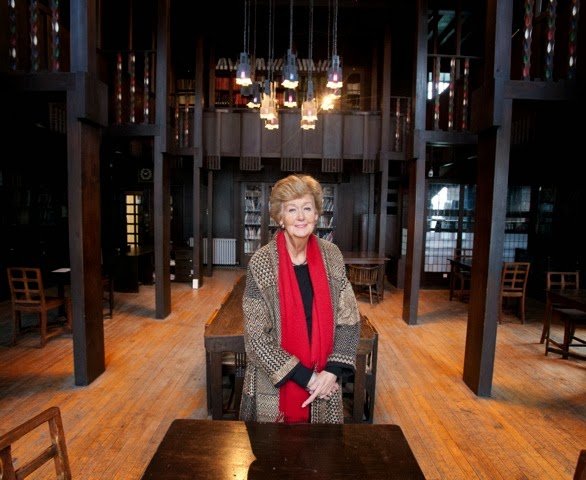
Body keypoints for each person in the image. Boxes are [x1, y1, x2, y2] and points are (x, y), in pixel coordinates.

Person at [239, 173, 361, 424]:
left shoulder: (332, 255)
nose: (301, 217)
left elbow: (349, 318)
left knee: (324, 457)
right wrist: (309, 378)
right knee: (272, 456)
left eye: (307, 208)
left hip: (325, 383)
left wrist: (331, 372)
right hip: (273, 389)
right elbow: (256, 338)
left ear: (317, 214)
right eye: (292, 209)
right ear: (280, 217)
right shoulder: (261, 263)